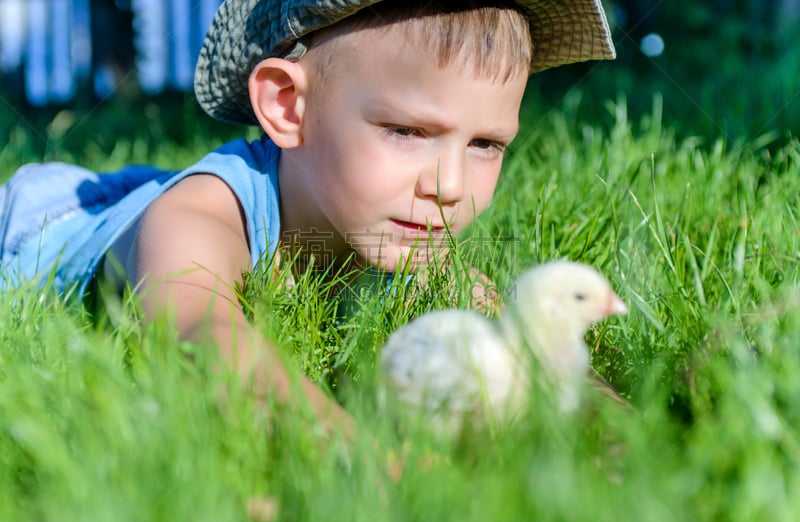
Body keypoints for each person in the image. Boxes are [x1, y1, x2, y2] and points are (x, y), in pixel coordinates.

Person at [0, 0, 615, 438]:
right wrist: (354, 457)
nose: (448, 188)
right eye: (406, 131)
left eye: (485, 144)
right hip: (36, 223)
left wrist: (610, 428)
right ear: (287, 107)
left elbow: (523, 346)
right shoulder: (199, 219)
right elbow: (202, 338)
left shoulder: (402, 233)